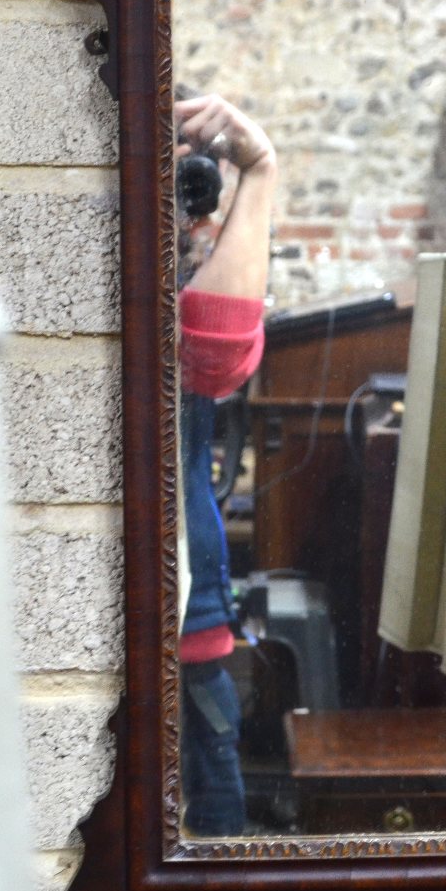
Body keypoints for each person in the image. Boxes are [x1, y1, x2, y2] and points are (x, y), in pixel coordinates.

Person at [174, 92, 277, 836]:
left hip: (192, 634)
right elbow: (217, 352)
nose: (193, 206)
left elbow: (218, 356)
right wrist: (260, 170)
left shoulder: (175, 282)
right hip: (173, 638)